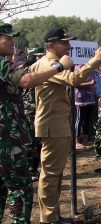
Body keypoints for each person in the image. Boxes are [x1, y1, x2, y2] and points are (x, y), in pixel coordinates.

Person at [0, 23, 72, 224]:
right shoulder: (2, 63)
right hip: (6, 138)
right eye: (8, 38)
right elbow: (26, 81)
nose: (12, 42)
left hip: (8, 135)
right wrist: (59, 66)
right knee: (21, 188)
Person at [34, 27, 101, 224]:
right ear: (51, 45)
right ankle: (48, 218)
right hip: (52, 124)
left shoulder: (54, 63)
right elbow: (74, 79)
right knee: (50, 174)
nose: (68, 46)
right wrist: (95, 60)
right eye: (64, 43)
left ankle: (53, 215)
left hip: (57, 123)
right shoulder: (49, 64)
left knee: (55, 174)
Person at [22, 47, 46, 181]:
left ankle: (33, 169)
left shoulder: (43, 72)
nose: (40, 58)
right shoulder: (27, 71)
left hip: (39, 111)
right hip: (29, 111)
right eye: (37, 56)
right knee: (30, 143)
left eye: (42, 56)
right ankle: (30, 170)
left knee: (37, 142)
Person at [74, 64, 97, 149]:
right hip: (81, 98)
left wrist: (95, 95)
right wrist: (89, 83)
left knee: (87, 120)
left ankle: (85, 140)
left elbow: (94, 83)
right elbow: (75, 84)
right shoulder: (77, 68)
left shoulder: (91, 68)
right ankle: (76, 141)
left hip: (90, 98)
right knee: (79, 120)